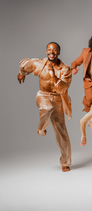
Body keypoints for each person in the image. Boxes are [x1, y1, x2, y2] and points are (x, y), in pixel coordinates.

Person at [17, 42, 72, 172]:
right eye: (49, 49)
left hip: (58, 98)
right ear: (46, 51)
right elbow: (27, 65)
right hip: (43, 95)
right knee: (46, 108)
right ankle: (41, 129)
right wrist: (21, 73)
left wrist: (53, 76)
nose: (51, 52)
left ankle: (66, 162)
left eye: (54, 50)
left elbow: (64, 88)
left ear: (58, 52)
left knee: (61, 131)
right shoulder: (40, 63)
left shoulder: (65, 69)